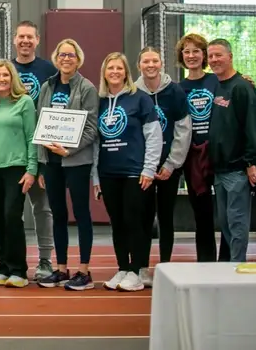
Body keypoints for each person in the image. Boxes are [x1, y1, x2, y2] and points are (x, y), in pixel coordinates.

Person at [35, 38, 99, 291]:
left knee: (81, 214)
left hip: (77, 161)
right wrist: (41, 162)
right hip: (51, 162)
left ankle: (84, 270)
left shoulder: (87, 88)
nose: (66, 59)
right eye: (62, 55)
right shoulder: (47, 86)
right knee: (58, 215)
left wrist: (69, 150)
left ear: (78, 59)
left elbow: (92, 129)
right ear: (56, 58)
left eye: (71, 55)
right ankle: (61, 268)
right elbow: (41, 123)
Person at [94, 53, 161, 293]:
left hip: (135, 173)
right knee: (118, 224)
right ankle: (123, 267)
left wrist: (149, 169)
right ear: (104, 72)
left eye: (119, 68)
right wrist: (96, 177)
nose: (114, 72)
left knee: (135, 223)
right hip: (109, 173)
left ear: (126, 73)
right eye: (110, 67)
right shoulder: (100, 101)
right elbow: (95, 142)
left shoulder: (140, 99)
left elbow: (154, 136)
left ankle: (136, 270)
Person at [0, 60, 37, 289]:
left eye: (5, 75)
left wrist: (31, 169)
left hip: (16, 168)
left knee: (12, 218)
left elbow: (31, 137)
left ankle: (18, 270)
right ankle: (3, 268)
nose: (1, 79)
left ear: (13, 78)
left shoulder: (24, 102)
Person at [135, 47, 191, 285]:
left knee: (166, 218)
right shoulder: (133, 92)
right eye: (146, 61)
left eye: (155, 61)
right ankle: (141, 268)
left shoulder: (175, 91)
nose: (150, 65)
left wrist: (171, 163)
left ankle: (165, 265)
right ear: (139, 65)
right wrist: (144, 165)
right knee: (144, 219)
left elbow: (183, 129)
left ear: (161, 64)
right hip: (142, 169)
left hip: (169, 168)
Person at [207, 39, 256, 263]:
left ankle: (237, 268)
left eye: (218, 55)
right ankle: (230, 268)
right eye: (211, 56)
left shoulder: (242, 88)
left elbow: (253, 127)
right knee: (226, 223)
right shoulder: (217, 85)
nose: (214, 60)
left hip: (238, 170)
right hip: (220, 171)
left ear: (230, 56)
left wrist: (252, 162)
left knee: (237, 223)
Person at [10, 20, 56, 281]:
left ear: (37, 40)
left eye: (30, 37)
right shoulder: (6, 70)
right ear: (14, 40)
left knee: (42, 208)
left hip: (40, 151)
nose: (25, 41)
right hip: (11, 151)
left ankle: (45, 260)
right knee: (10, 211)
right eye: (21, 37)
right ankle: (12, 262)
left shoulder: (48, 70)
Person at [176, 33, 229, 262]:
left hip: (220, 153)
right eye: (186, 51)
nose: (191, 55)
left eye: (196, 51)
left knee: (226, 212)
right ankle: (206, 262)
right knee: (202, 213)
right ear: (181, 56)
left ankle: (228, 259)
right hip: (193, 157)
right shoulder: (178, 88)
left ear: (204, 55)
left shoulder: (216, 81)